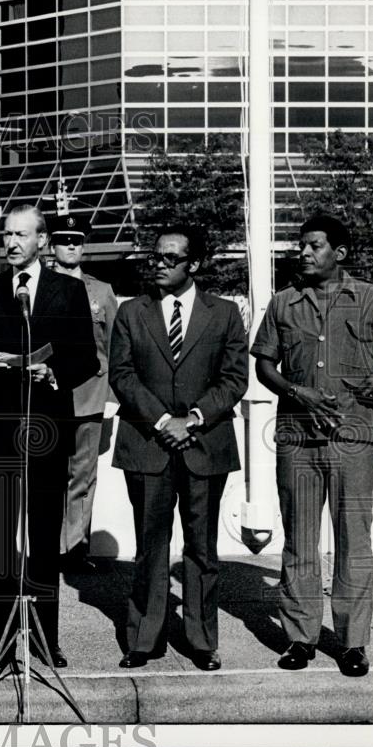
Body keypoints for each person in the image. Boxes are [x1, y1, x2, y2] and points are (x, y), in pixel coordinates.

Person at [0, 205, 98, 670]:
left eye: (21, 234)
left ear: (43, 240)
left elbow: (87, 360)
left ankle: (45, 638)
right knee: (0, 539)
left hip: (46, 429)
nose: (12, 242)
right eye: (6, 235)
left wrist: (52, 371)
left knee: (42, 537)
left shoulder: (69, 291)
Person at [251, 215, 373, 678]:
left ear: (340, 253)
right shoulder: (284, 303)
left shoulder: (372, 298)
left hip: (354, 439)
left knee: (353, 542)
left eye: (315, 246)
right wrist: (296, 391)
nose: (304, 253)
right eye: (302, 245)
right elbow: (264, 365)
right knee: (301, 540)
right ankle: (300, 638)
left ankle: (352, 644)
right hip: (297, 440)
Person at [109, 225, 248, 672]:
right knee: (150, 545)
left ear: (195, 264)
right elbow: (122, 374)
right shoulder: (132, 312)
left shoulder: (225, 313)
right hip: (147, 444)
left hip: (205, 445)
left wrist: (194, 418)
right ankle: (144, 639)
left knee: (202, 547)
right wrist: (163, 420)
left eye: (172, 258)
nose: (161, 264)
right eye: (157, 256)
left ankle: (202, 639)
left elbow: (234, 378)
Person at [51, 215, 119, 574]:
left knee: (82, 474)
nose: (72, 246)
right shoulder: (37, 287)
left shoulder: (101, 290)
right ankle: (48, 546)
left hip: (91, 395)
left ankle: (74, 547)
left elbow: (115, 345)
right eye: (64, 240)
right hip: (47, 395)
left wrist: (111, 397)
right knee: (47, 474)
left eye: (77, 240)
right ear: (52, 246)